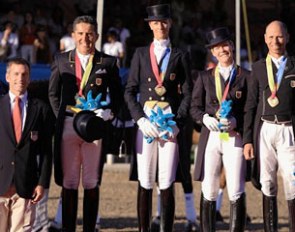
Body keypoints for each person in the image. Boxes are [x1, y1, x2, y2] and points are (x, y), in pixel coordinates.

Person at [48, 15, 122, 231]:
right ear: (73, 35)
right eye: (80, 33)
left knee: (91, 182)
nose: (85, 38)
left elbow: (117, 96)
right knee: (69, 182)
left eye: (89, 33)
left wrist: (109, 113)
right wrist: (61, 117)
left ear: (97, 36)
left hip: (94, 128)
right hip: (69, 125)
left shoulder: (108, 62)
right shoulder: (61, 60)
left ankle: (90, 227)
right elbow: (53, 94)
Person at [124, 4, 192, 232]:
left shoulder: (181, 55)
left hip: (169, 125)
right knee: (145, 180)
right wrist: (140, 120)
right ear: (150, 25)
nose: (160, 26)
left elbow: (188, 93)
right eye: (155, 22)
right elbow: (130, 90)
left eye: (164, 21)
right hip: (147, 125)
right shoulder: (141, 54)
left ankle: (166, 228)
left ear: (170, 23)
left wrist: (178, 123)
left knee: (166, 181)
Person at [191, 27, 249, 231]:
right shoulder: (205, 77)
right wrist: (205, 118)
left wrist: (236, 122)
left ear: (231, 46)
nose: (222, 50)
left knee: (235, 188)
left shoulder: (245, 76)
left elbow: (251, 110)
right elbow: (194, 108)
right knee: (209, 188)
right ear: (212, 53)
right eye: (217, 48)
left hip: (234, 137)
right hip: (212, 137)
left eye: (225, 45)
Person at [243, 20, 295, 231]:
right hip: (264, 131)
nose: (276, 41)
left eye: (280, 36)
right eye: (271, 37)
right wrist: (247, 139)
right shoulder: (256, 68)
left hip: (288, 131)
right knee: (267, 182)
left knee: (292, 182)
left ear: (288, 37)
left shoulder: (293, 65)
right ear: (265, 39)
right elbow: (250, 105)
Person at [0, 57, 53, 231]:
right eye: (16, 74)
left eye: (24, 74)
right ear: (7, 77)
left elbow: (46, 150)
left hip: (26, 186)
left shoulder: (40, 109)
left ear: (29, 78)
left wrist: (42, 182)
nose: (20, 79)